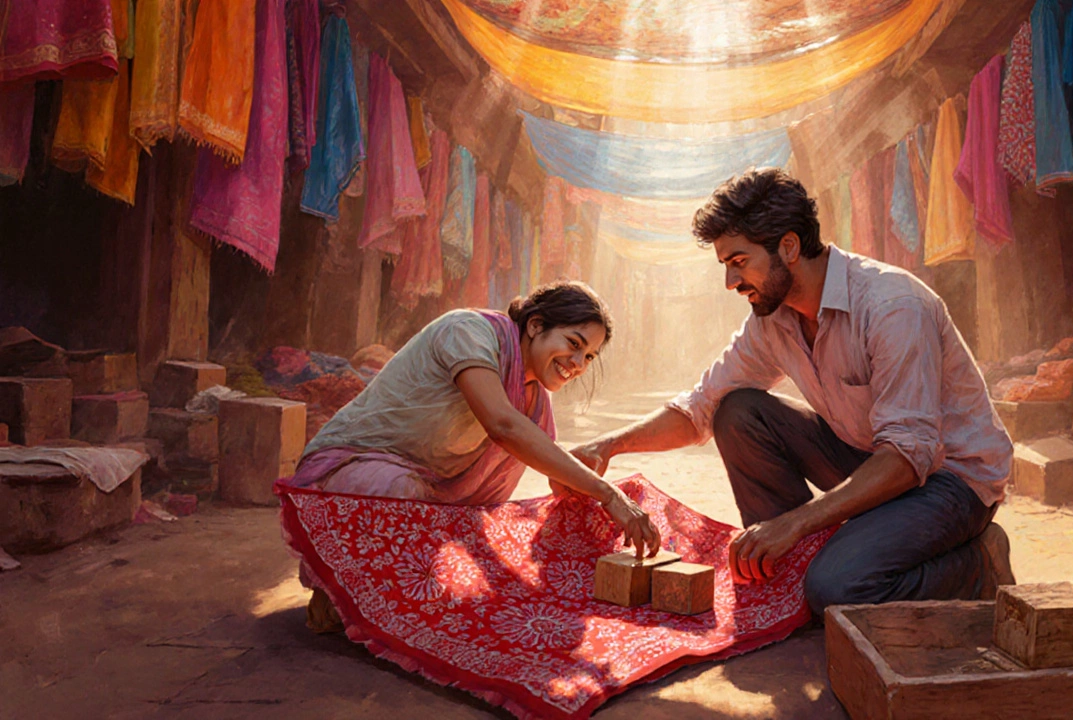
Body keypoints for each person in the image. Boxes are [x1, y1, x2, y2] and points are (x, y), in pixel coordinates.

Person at [571, 169, 1016, 613]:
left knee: (837, 590)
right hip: (867, 455)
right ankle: (797, 564)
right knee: (737, 411)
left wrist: (793, 523)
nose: (730, 282)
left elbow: (907, 456)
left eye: (739, 262)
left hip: (948, 481)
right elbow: (700, 408)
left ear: (788, 246)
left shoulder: (893, 306)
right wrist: (608, 445)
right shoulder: (772, 319)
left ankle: (977, 565)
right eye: (726, 265)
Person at [291, 281, 661, 631]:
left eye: (589, 356)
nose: (578, 363)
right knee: (399, 487)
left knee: (561, 490)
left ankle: (390, 594)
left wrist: (604, 511)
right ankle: (338, 589)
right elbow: (503, 426)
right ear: (535, 325)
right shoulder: (468, 331)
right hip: (349, 471)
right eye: (574, 343)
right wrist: (609, 495)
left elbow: (553, 468)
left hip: (429, 495)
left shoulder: (533, 400)